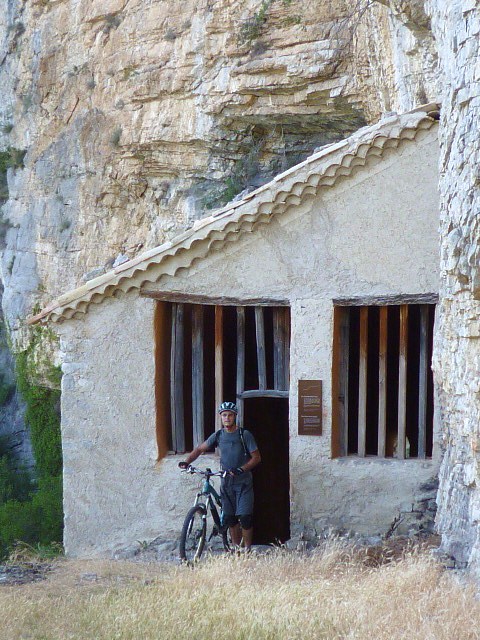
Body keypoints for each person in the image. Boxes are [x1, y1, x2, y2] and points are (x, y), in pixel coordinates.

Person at [178, 401, 261, 551]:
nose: (227, 418)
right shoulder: (218, 435)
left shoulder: (244, 435)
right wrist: (186, 461)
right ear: (221, 418)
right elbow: (199, 449)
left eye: (230, 415)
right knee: (230, 519)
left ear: (235, 416)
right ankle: (236, 550)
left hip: (243, 483)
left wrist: (241, 469)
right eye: (224, 415)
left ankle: (247, 550)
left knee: (245, 518)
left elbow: (256, 458)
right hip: (226, 483)